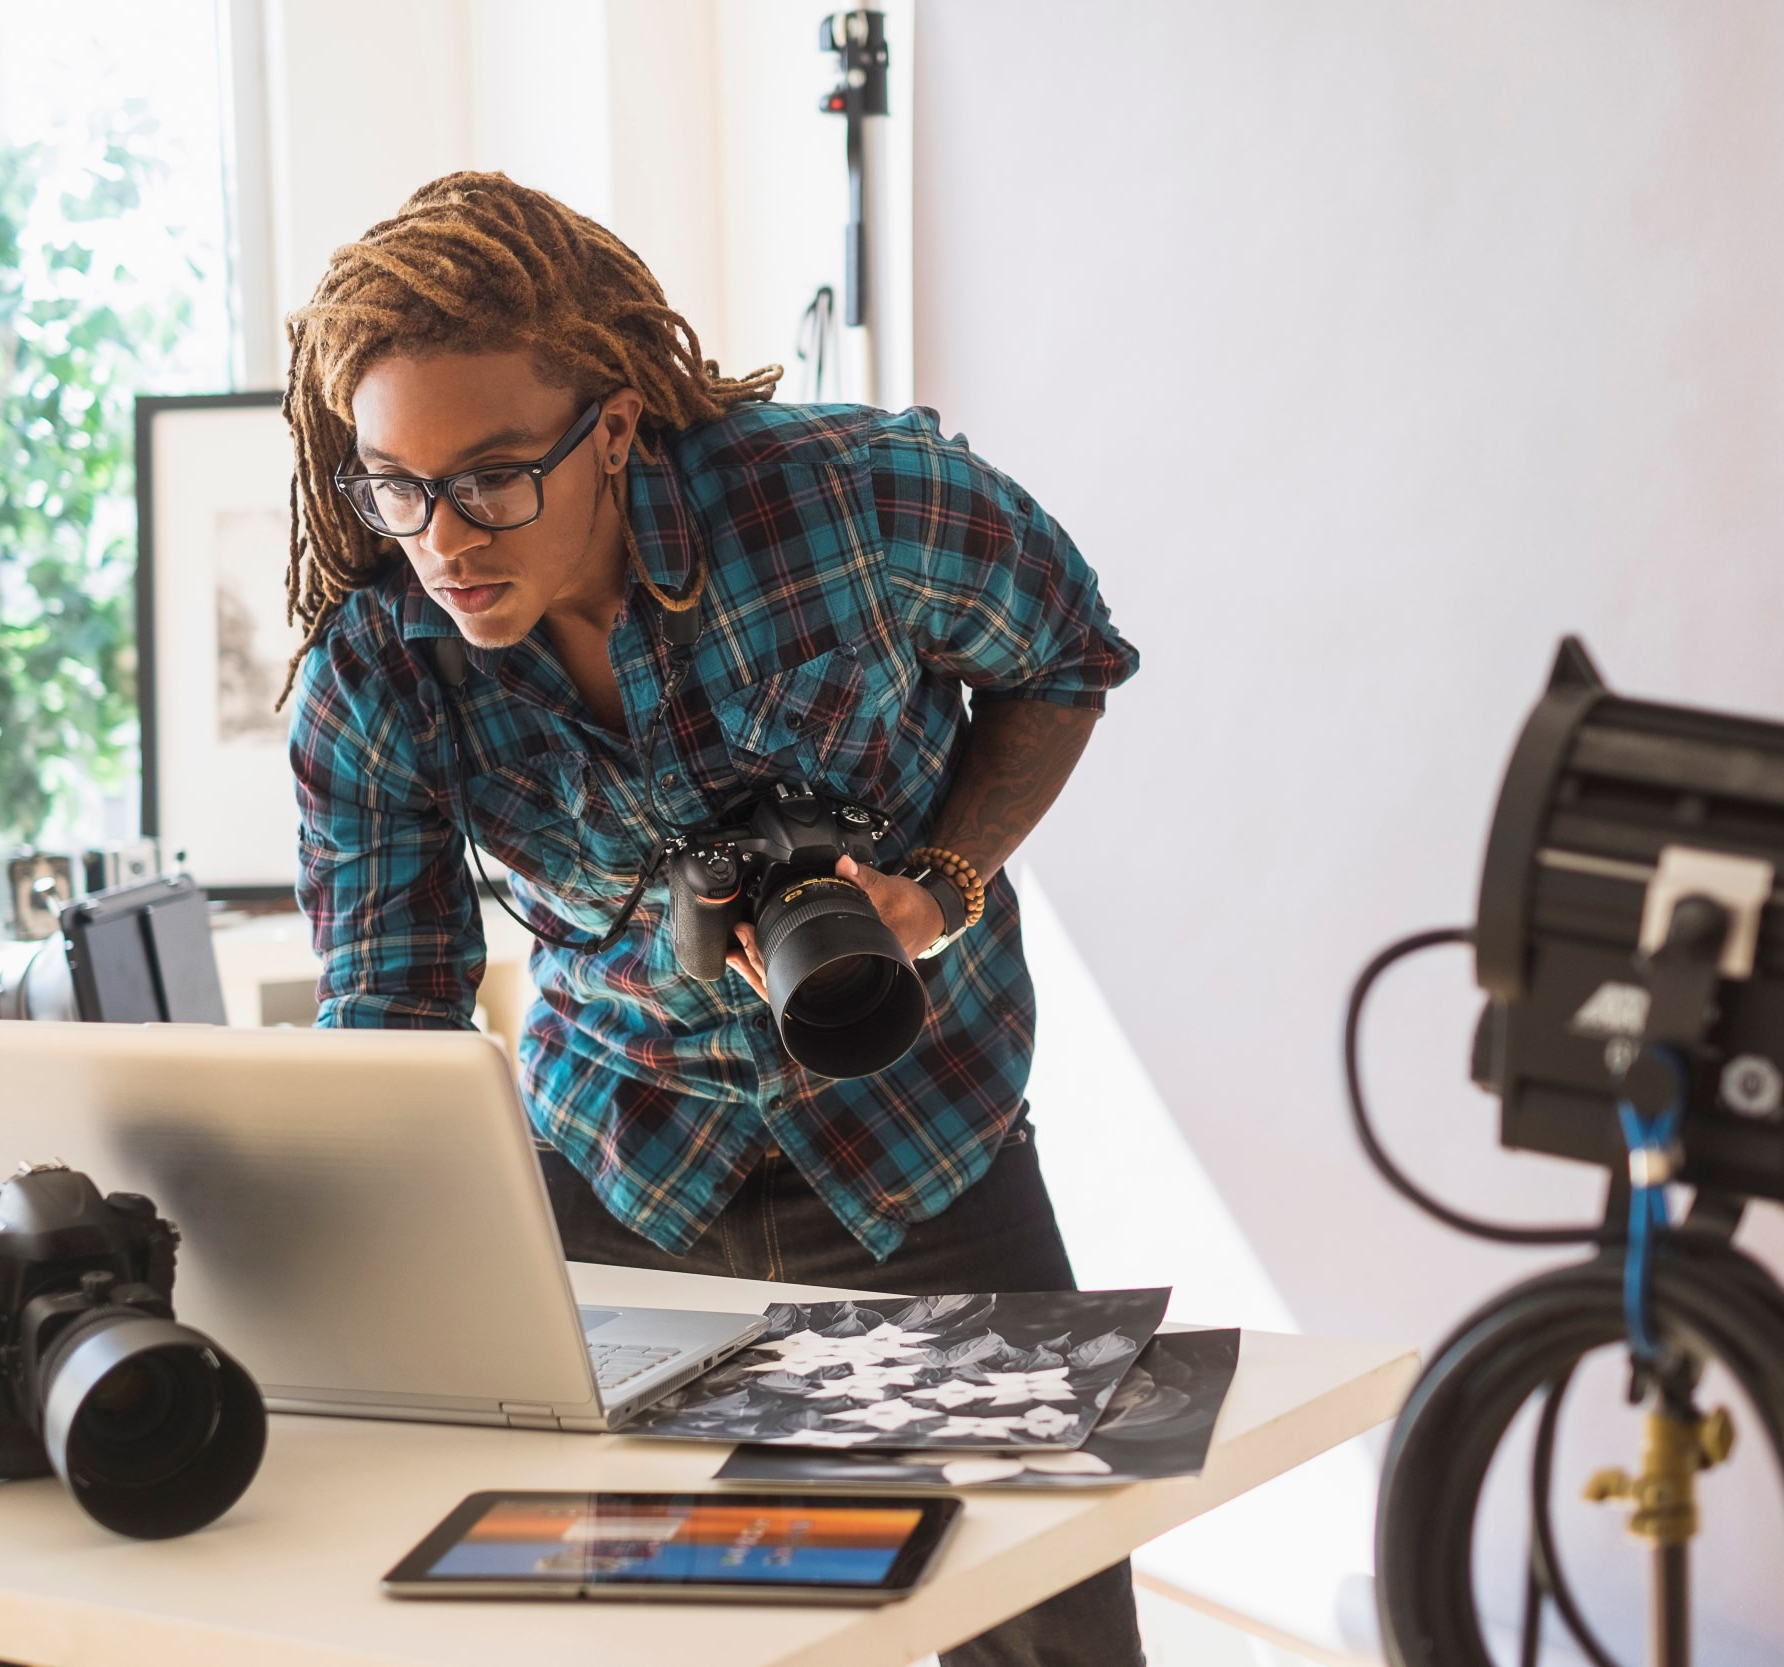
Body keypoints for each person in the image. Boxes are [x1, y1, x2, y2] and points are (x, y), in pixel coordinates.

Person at [283, 172, 1141, 1667]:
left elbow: (1066, 655)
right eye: (394, 485)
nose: (442, 539)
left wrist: (939, 882)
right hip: (620, 1161)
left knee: (1042, 1620)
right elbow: (391, 1031)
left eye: (489, 477)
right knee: (638, 1620)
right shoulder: (378, 675)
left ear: (612, 425)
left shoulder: (852, 501)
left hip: (920, 1132)